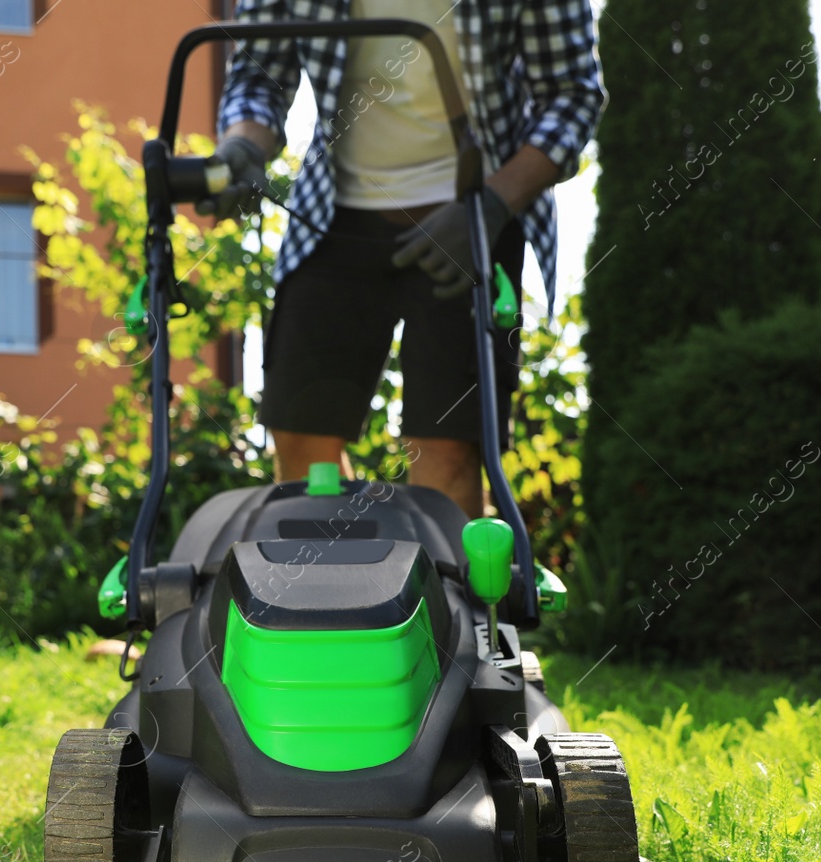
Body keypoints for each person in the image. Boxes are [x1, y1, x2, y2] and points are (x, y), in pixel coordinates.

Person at [202, 0, 604, 517]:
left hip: (471, 215)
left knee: (447, 453)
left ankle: (447, 593)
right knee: (302, 437)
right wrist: (242, 147)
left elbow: (572, 96)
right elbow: (260, 75)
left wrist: (494, 203)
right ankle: (337, 586)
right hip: (333, 215)